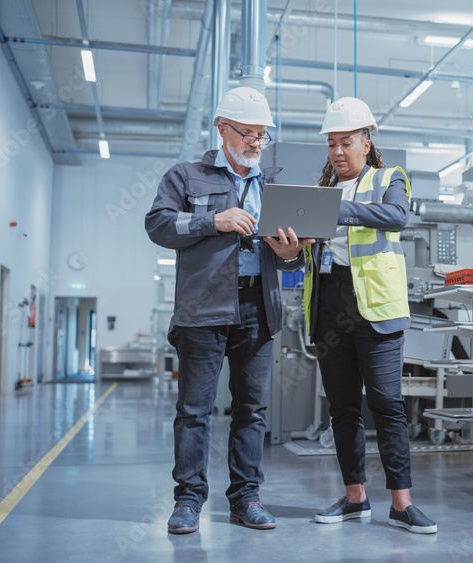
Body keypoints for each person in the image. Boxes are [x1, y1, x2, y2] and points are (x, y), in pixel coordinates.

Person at [145, 87, 313, 534]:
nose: (257, 142)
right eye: (248, 132)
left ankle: (246, 498)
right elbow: (158, 225)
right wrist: (212, 221)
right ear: (222, 129)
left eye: (262, 134)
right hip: (202, 310)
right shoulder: (186, 176)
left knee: (252, 410)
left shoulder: (274, 185)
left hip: (259, 307)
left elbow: (291, 260)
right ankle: (187, 502)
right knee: (195, 410)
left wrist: (292, 252)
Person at [297, 97, 437, 534]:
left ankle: (401, 504)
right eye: (332, 144)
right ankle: (355, 499)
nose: (338, 151)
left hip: (375, 307)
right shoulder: (317, 193)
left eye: (347, 142)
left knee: (387, 404)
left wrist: (335, 208)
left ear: (366, 141)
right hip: (328, 304)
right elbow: (304, 251)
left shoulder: (388, 178)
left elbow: (396, 217)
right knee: (341, 408)